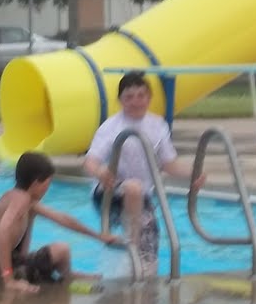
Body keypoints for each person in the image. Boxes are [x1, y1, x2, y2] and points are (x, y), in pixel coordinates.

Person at [83, 72, 206, 255]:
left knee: (149, 255)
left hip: (141, 199)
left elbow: (169, 164)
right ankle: (133, 246)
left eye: (141, 96)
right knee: (134, 187)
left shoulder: (158, 125)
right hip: (109, 196)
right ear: (120, 100)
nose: (136, 102)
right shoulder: (111, 127)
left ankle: (136, 263)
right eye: (129, 97)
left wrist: (194, 174)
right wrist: (100, 172)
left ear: (149, 98)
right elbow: (90, 162)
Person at [0, 152, 123, 293]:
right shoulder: (21, 200)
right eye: (48, 183)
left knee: (34, 223)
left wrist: (98, 236)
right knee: (62, 250)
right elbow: (1, 235)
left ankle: (64, 274)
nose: (48, 188)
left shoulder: (18, 198)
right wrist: (9, 280)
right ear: (36, 183)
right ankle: (67, 276)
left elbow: (63, 219)